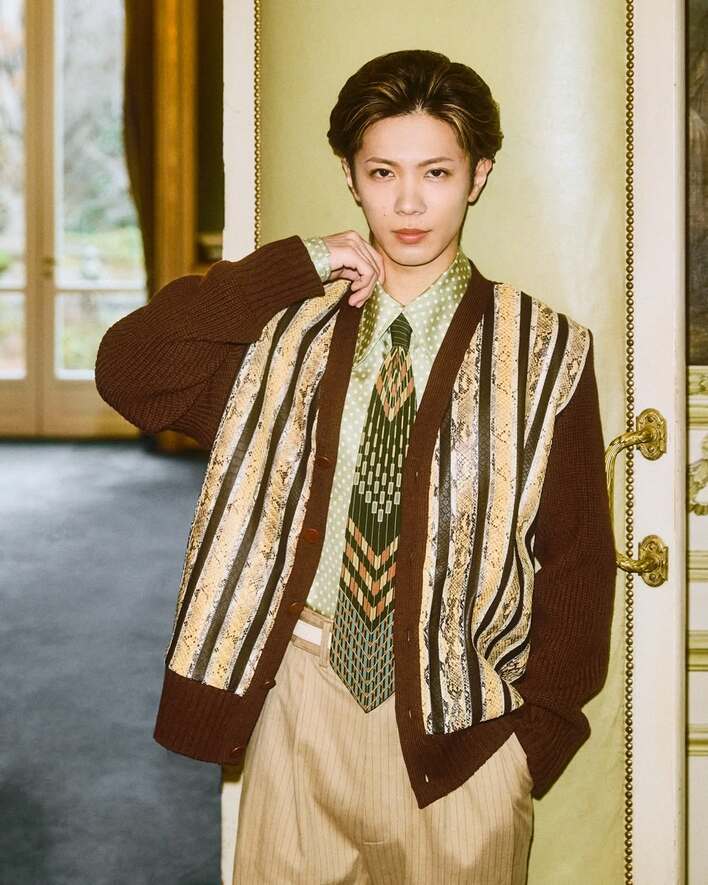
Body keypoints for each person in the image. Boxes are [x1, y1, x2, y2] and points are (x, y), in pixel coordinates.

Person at [95, 49, 617, 884]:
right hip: (298, 700)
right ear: (350, 176)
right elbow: (130, 369)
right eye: (382, 172)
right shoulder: (284, 338)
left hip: (466, 731)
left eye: (436, 172)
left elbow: (580, 558)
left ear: (478, 176)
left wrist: (536, 739)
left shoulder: (546, 350)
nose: (408, 202)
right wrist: (292, 266)